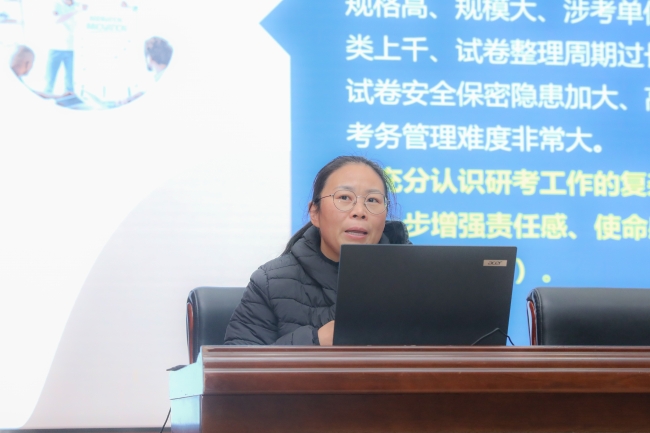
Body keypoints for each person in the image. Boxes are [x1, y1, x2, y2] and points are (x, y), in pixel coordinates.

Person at [224, 156, 411, 346]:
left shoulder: (413, 278)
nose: (360, 211)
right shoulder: (270, 282)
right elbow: (238, 361)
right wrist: (315, 341)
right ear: (314, 212)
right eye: (344, 197)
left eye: (372, 200)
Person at [45, 0, 87, 95]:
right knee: (49, 80)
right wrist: (77, 11)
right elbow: (56, 20)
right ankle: (46, 97)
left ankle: (70, 98)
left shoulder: (79, 5)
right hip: (56, 46)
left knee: (70, 82)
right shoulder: (56, 4)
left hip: (72, 48)